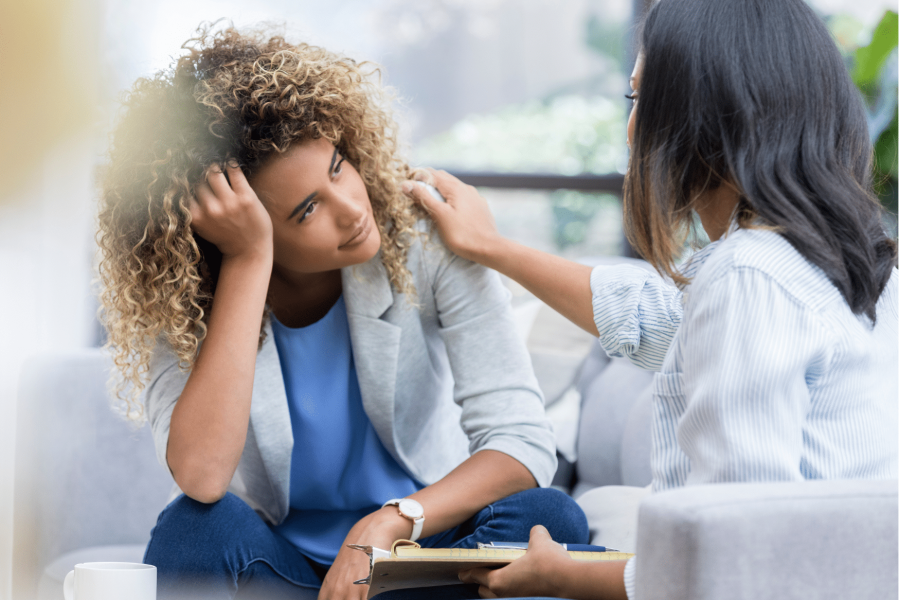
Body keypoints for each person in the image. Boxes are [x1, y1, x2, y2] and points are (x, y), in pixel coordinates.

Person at [404, 0, 899, 598]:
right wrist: (492, 248)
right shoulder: (839, 263)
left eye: (639, 99)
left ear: (703, 113)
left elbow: (736, 550)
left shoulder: (750, 276)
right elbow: (657, 321)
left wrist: (564, 575)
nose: (633, 125)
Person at [96, 25, 589, 600]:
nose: (353, 209)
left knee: (548, 519)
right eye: (307, 211)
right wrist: (250, 261)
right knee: (191, 531)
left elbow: (522, 439)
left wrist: (390, 521)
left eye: (337, 167)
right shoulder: (184, 296)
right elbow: (203, 478)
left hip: (423, 559)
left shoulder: (424, 240)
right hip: (290, 574)